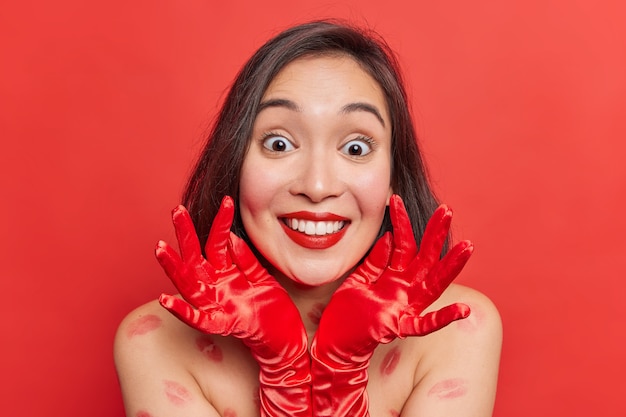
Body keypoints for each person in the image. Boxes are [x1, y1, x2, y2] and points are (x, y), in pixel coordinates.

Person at [114, 20, 502, 417]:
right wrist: (284, 376)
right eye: (279, 143)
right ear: (235, 167)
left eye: (355, 147)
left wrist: (341, 376)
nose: (317, 186)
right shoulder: (155, 339)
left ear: (393, 179)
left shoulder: (458, 329)